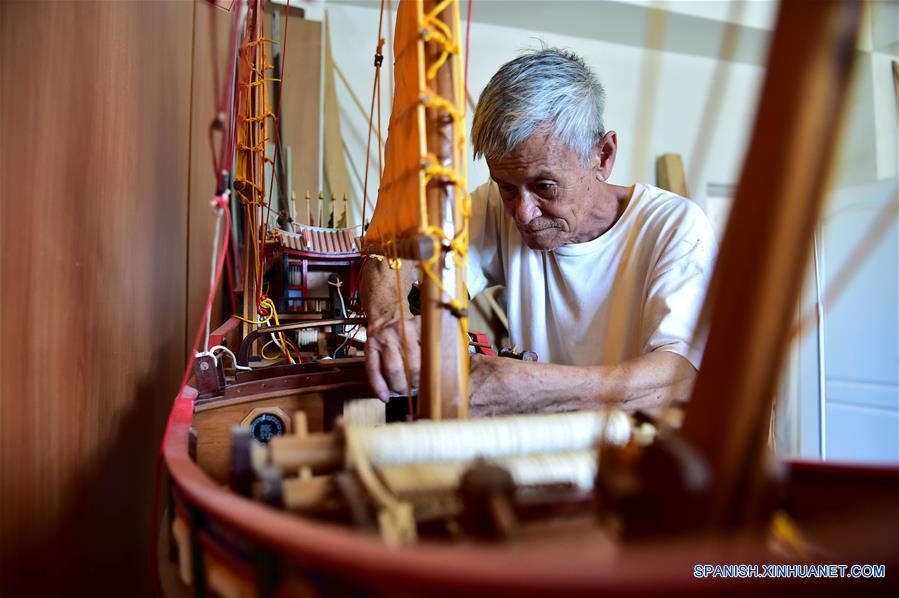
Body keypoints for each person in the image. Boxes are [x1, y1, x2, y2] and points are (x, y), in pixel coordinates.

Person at [361, 48, 716, 417]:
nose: (523, 213)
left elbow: (681, 376)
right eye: (506, 186)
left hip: (639, 461)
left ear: (604, 156)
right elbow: (392, 256)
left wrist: (531, 387)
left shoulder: (675, 228)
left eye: (545, 186)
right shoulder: (496, 209)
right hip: (543, 453)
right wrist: (391, 319)